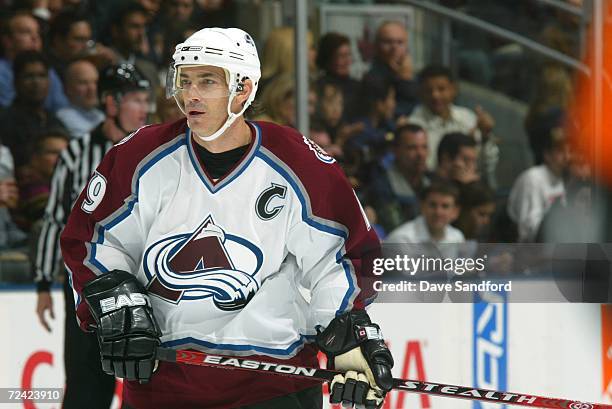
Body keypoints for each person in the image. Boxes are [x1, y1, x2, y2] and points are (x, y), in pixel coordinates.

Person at [59, 27, 393, 409]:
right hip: (164, 383)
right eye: (184, 81)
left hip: (271, 383)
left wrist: (344, 327)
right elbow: (90, 242)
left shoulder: (297, 162)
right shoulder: (139, 157)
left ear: (244, 88)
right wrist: (116, 297)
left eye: (207, 81)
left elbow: (339, 258)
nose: (191, 95)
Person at [34, 63, 151, 409]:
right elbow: (56, 219)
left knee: (149, 383)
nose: (144, 109)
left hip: (146, 284)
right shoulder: (76, 153)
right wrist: (43, 283)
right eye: (136, 100)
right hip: (88, 285)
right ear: (110, 103)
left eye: (146, 100)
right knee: (87, 384)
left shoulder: (156, 152)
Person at [407, 65, 499, 187]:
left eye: (441, 89)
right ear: (420, 92)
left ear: (454, 89)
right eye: (429, 90)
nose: (435, 95)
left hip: (470, 186)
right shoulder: (413, 125)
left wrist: (485, 136)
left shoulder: (468, 118)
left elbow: (487, 165)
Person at [0, 50, 66, 169]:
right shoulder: (5, 121)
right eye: (29, 76)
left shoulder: (55, 121)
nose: (36, 82)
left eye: (42, 75)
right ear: (16, 81)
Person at [507, 125, 569, 242]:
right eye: (561, 151)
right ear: (547, 155)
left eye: (569, 151)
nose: (567, 157)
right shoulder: (533, 178)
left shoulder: (564, 178)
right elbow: (528, 230)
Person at [368, 123, 431, 233]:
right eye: (412, 148)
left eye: (424, 147)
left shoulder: (431, 181)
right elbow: (395, 229)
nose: (420, 154)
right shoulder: (383, 187)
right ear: (395, 150)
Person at [0, 11, 68, 112]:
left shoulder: (48, 70)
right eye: (26, 32)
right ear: (8, 41)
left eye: (38, 33)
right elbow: (9, 111)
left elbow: (62, 108)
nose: (35, 37)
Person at [385, 182, 464, 246]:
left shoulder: (457, 237)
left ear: (455, 212)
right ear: (422, 207)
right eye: (432, 205)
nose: (438, 212)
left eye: (445, 206)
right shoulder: (402, 240)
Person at [365, 21, 417, 116]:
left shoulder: (416, 75)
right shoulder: (371, 78)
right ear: (376, 46)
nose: (394, 47)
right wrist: (405, 80)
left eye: (400, 42)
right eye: (388, 42)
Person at [56, 59, 105, 138]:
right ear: (67, 88)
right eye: (83, 83)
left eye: (95, 82)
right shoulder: (62, 119)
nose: (92, 88)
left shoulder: (101, 116)